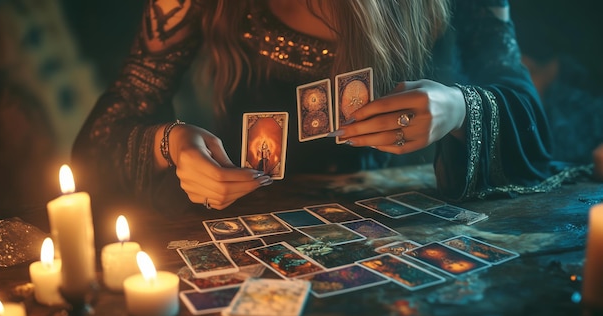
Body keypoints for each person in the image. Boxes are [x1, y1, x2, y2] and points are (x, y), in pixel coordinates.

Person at [72, 0, 554, 213]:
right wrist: (170, 143)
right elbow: (100, 141)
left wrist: (461, 108)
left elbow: (527, 115)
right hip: (252, 234)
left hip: (411, 229)